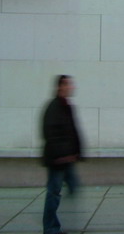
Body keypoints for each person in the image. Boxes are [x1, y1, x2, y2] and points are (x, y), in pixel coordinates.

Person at [42, 75, 84, 234]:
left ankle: (53, 224)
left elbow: (73, 131)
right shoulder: (54, 107)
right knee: (53, 193)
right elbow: (50, 133)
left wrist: (77, 151)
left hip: (67, 158)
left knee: (70, 186)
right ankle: (50, 228)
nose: (71, 87)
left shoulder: (66, 106)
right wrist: (63, 154)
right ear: (60, 87)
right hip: (58, 159)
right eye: (68, 85)